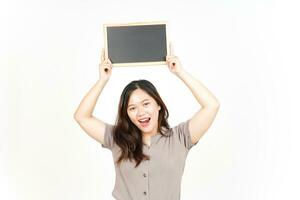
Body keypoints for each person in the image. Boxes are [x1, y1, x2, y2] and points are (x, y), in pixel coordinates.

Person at [74, 43, 220, 200]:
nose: (140, 113)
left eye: (146, 104)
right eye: (132, 108)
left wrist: (180, 72)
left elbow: (212, 105)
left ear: (158, 105)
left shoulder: (180, 137)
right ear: (127, 113)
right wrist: (102, 80)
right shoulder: (117, 138)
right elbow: (82, 116)